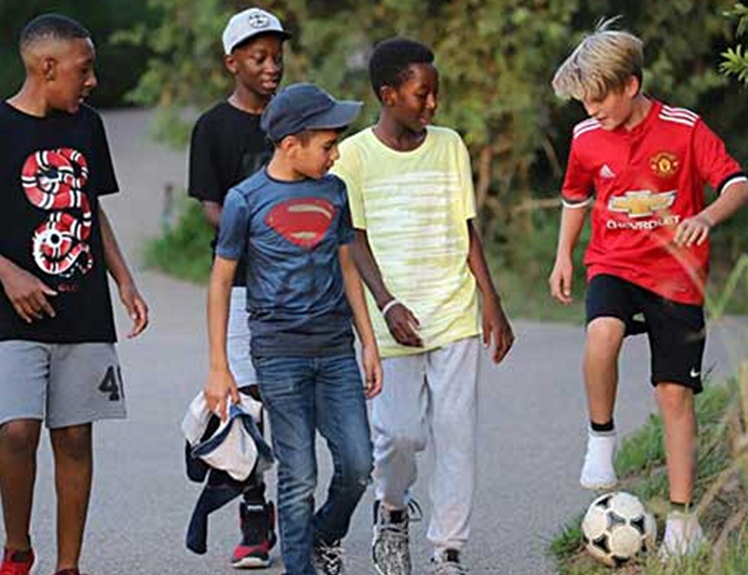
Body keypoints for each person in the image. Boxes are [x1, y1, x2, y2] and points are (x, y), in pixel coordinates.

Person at [0, 14, 149, 575]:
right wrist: (7, 273)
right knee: (20, 429)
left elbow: (88, 207)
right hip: (10, 310)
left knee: (76, 437)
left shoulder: (87, 126)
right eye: (85, 68)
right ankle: (17, 547)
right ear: (46, 66)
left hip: (83, 309)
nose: (93, 81)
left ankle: (68, 565)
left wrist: (123, 278)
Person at [547, 20, 748, 559]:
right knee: (602, 335)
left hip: (676, 277)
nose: (590, 111)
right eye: (583, 101)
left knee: (673, 395)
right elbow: (575, 196)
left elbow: (737, 183)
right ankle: (600, 439)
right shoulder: (586, 137)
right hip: (613, 262)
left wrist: (706, 216)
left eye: (598, 99)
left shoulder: (683, 129)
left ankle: (684, 523)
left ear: (631, 85)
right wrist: (563, 255)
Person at [331, 37, 515, 575]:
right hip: (392, 321)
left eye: (435, 93)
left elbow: (466, 228)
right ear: (388, 95)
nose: (432, 105)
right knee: (398, 434)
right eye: (420, 95)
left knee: (457, 433)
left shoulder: (450, 145)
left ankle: (448, 550)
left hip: (453, 309)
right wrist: (385, 304)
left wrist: (492, 300)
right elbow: (354, 239)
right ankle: (391, 510)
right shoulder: (353, 157)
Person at [203, 82, 381, 575]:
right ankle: (301, 566)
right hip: (278, 353)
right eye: (327, 144)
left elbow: (348, 268)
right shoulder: (245, 200)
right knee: (298, 475)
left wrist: (369, 343)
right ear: (289, 144)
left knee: (358, 465)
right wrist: (220, 367)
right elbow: (220, 284)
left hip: (336, 349)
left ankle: (324, 532)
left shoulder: (335, 190)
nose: (336, 153)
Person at [187, 7, 290, 568]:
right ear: (233, 63)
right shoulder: (213, 127)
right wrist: (258, 230)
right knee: (244, 404)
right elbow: (209, 206)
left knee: (294, 401)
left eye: (277, 56)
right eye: (259, 57)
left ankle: (294, 511)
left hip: (299, 287)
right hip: (244, 285)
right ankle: (254, 514)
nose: (271, 66)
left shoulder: (295, 118)